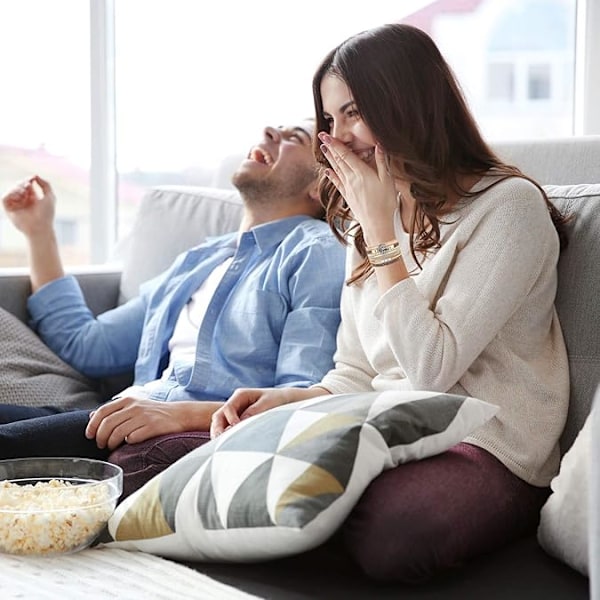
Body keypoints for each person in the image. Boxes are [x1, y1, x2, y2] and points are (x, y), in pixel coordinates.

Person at [210, 24, 570, 583]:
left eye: (353, 113)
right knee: (164, 457)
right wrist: (287, 400)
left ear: (409, 105)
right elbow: (356, 373)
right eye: (329, 121)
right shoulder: (365, 223)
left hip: (489, 446)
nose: (338, 137)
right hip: (387, 429)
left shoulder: (508, 209)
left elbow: (431, 372)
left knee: (396, 532)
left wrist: (381, 233)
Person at [0, 119, 346, 461]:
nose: (271, 131)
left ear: (320, 186)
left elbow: (299, 399)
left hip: (178, 436)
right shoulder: (198, 261)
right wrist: (38, 231)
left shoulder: (316, 252)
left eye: (295, 138)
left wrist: (177, 414)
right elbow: (87, 345)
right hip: (118, 418)